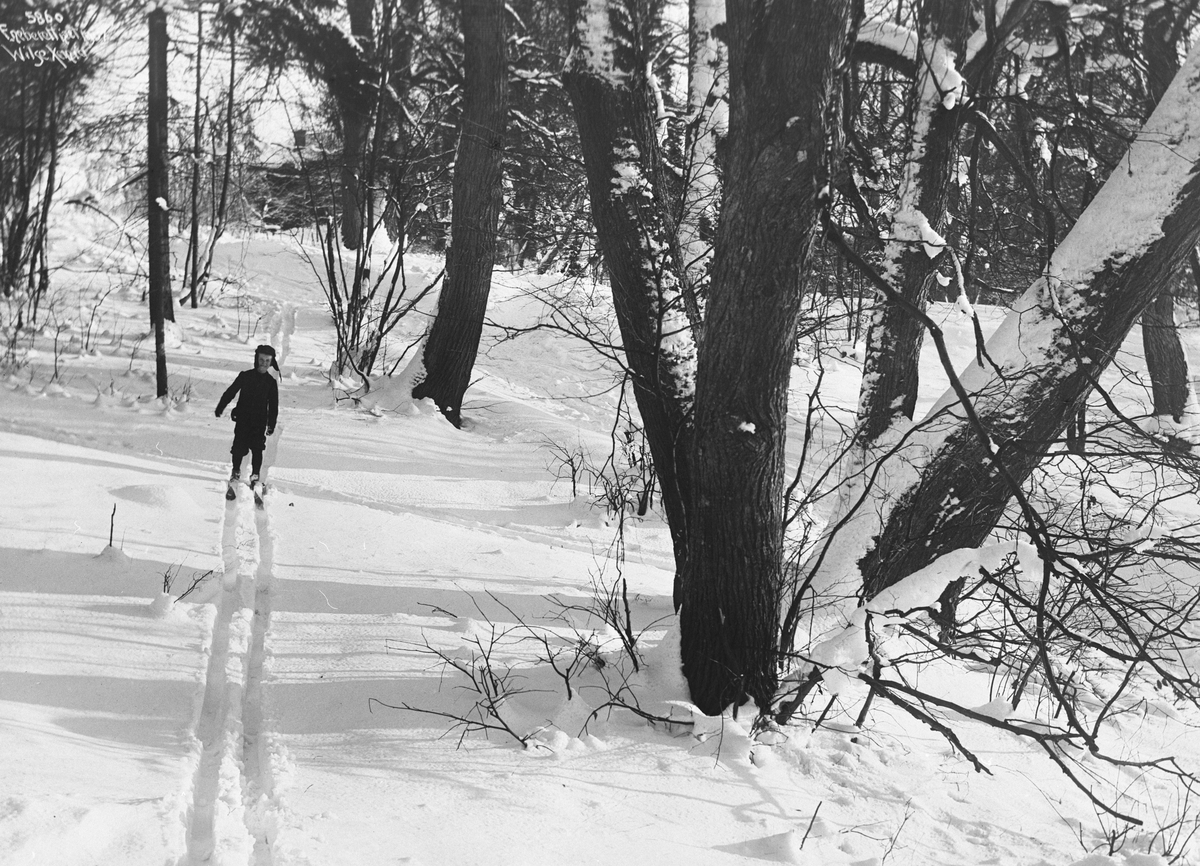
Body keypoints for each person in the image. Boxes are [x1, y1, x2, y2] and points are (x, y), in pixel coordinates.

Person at [215, 344, 279, 487]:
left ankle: (255, 474)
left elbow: (273, 406)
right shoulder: (245, 376)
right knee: (238, 447)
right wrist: (221, 406)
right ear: (256, 359)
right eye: (262, 359)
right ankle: (236, 470)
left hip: (259, 421)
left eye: (268, 361)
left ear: (271, 362)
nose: (264, 363)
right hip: (243, 419)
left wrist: (271, 424)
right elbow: (231, 392)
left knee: (257, 448)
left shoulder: (270, 382)